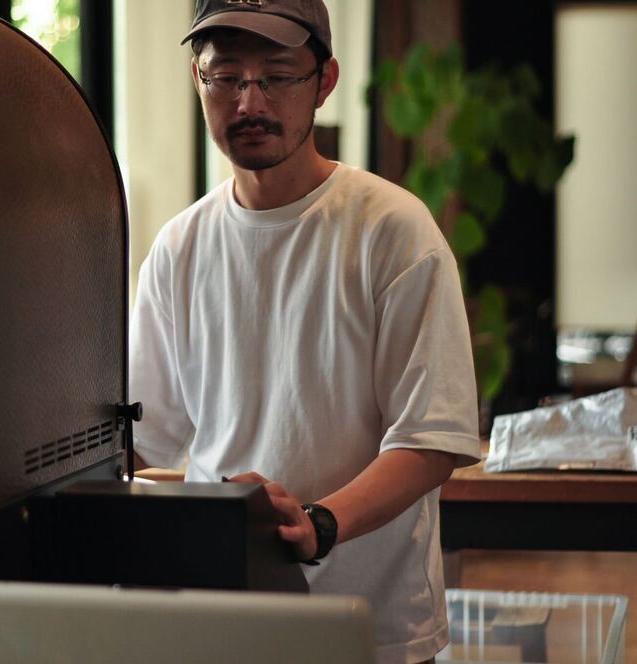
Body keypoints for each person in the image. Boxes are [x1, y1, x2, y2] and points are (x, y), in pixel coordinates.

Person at [128, 1, 482, 662]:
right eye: (225, 76)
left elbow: (431, 439)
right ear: (197, 81)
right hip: (222, 619)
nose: (249, 101)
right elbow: (144, 443)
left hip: (370, 624)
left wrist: (319, 524)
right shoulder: (179, 248)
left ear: (325, 82)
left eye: (278, 75)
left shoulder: (392, 232)